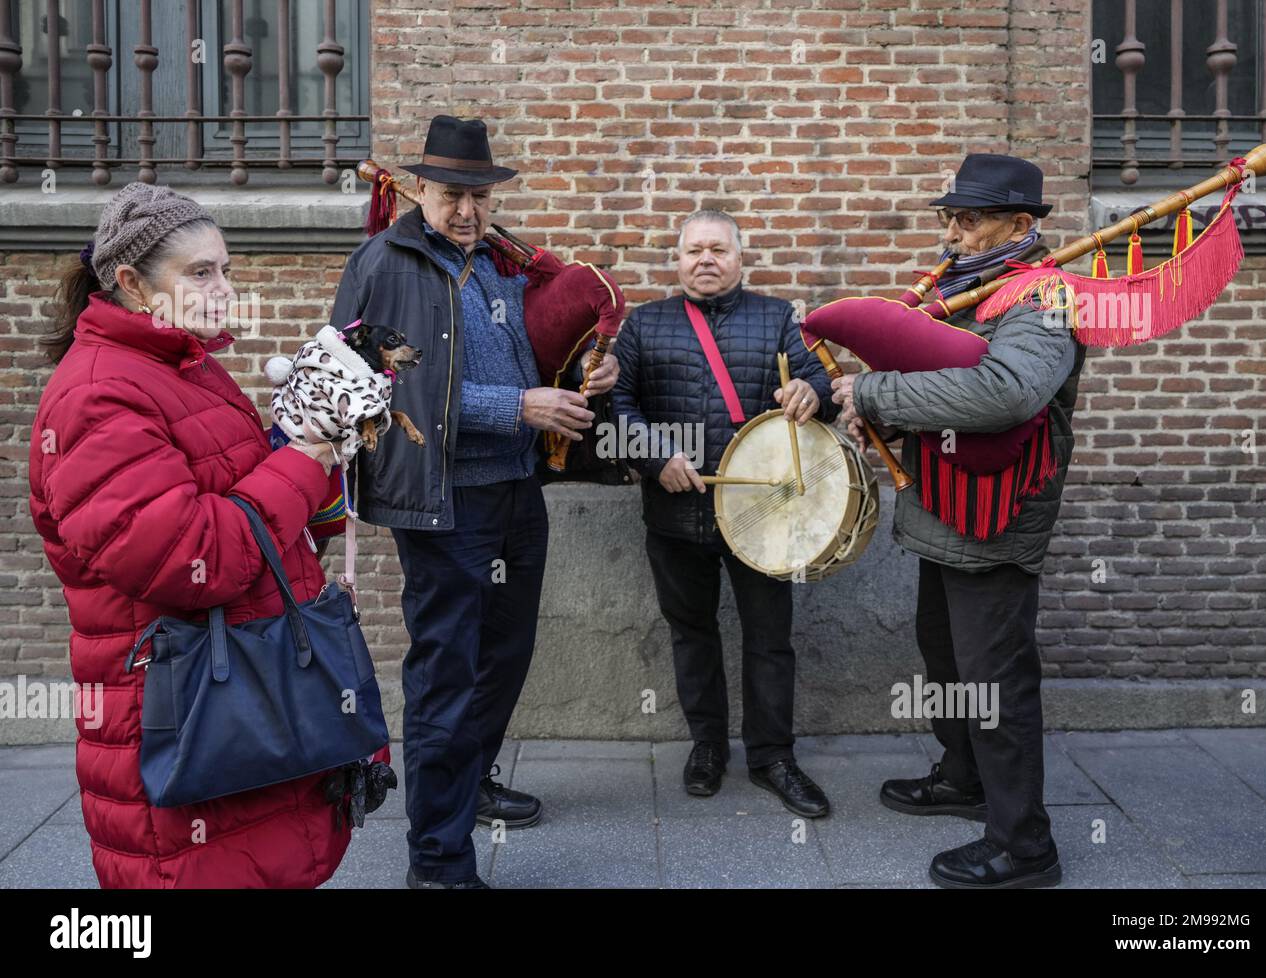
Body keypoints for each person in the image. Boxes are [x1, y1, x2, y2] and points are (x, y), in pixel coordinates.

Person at [28, 182, 347, 888]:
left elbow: (252, 508)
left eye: (226, 269)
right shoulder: (97, 396)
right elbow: (195, 557)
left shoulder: (185, 367)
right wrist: (305, 456)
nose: (224, 289)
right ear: (132, 284)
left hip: (239, 704)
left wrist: (316, 442)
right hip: (182, 725)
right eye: (200, 273)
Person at [329, 115, 618, 889]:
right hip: (444, 503)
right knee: (445, 677)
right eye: (452, 194)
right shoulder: (381, 265)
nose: (467, 210)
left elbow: (535, 355)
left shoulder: (499, 263)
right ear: (417, 189)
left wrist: (583, 376)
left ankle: (471, 780)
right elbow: (379, 392)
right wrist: (515, 407)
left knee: (504, 659)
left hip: (518, 493)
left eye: (479, 196)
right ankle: (439, 862)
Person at [832, 154, 1087, 889]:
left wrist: (878, 393)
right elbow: (943, 378)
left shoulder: (1043, 296)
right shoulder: (971, 288)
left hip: (996, 517)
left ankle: (1024, 845)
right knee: (946, 661)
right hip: (945, 511)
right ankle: (962, 777)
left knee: (995, 681)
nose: (953, 231)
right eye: (950, 216)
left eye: (968, 218)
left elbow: (1007, 394)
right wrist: (875, 403)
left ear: (1020, 224)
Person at [611, 209, 838, 817]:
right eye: (693, 251)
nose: (705, 260)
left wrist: (811, 394)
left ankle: (773, 757)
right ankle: (706, 746)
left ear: (740, 258)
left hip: (763, 516)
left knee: (770, 640)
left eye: (718, 249)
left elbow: (821, 385)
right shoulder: (643, 324)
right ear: (677, 260)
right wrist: (655, 454)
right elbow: (617, 405)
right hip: (674, 514)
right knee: (692, 635)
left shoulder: (777, 319)